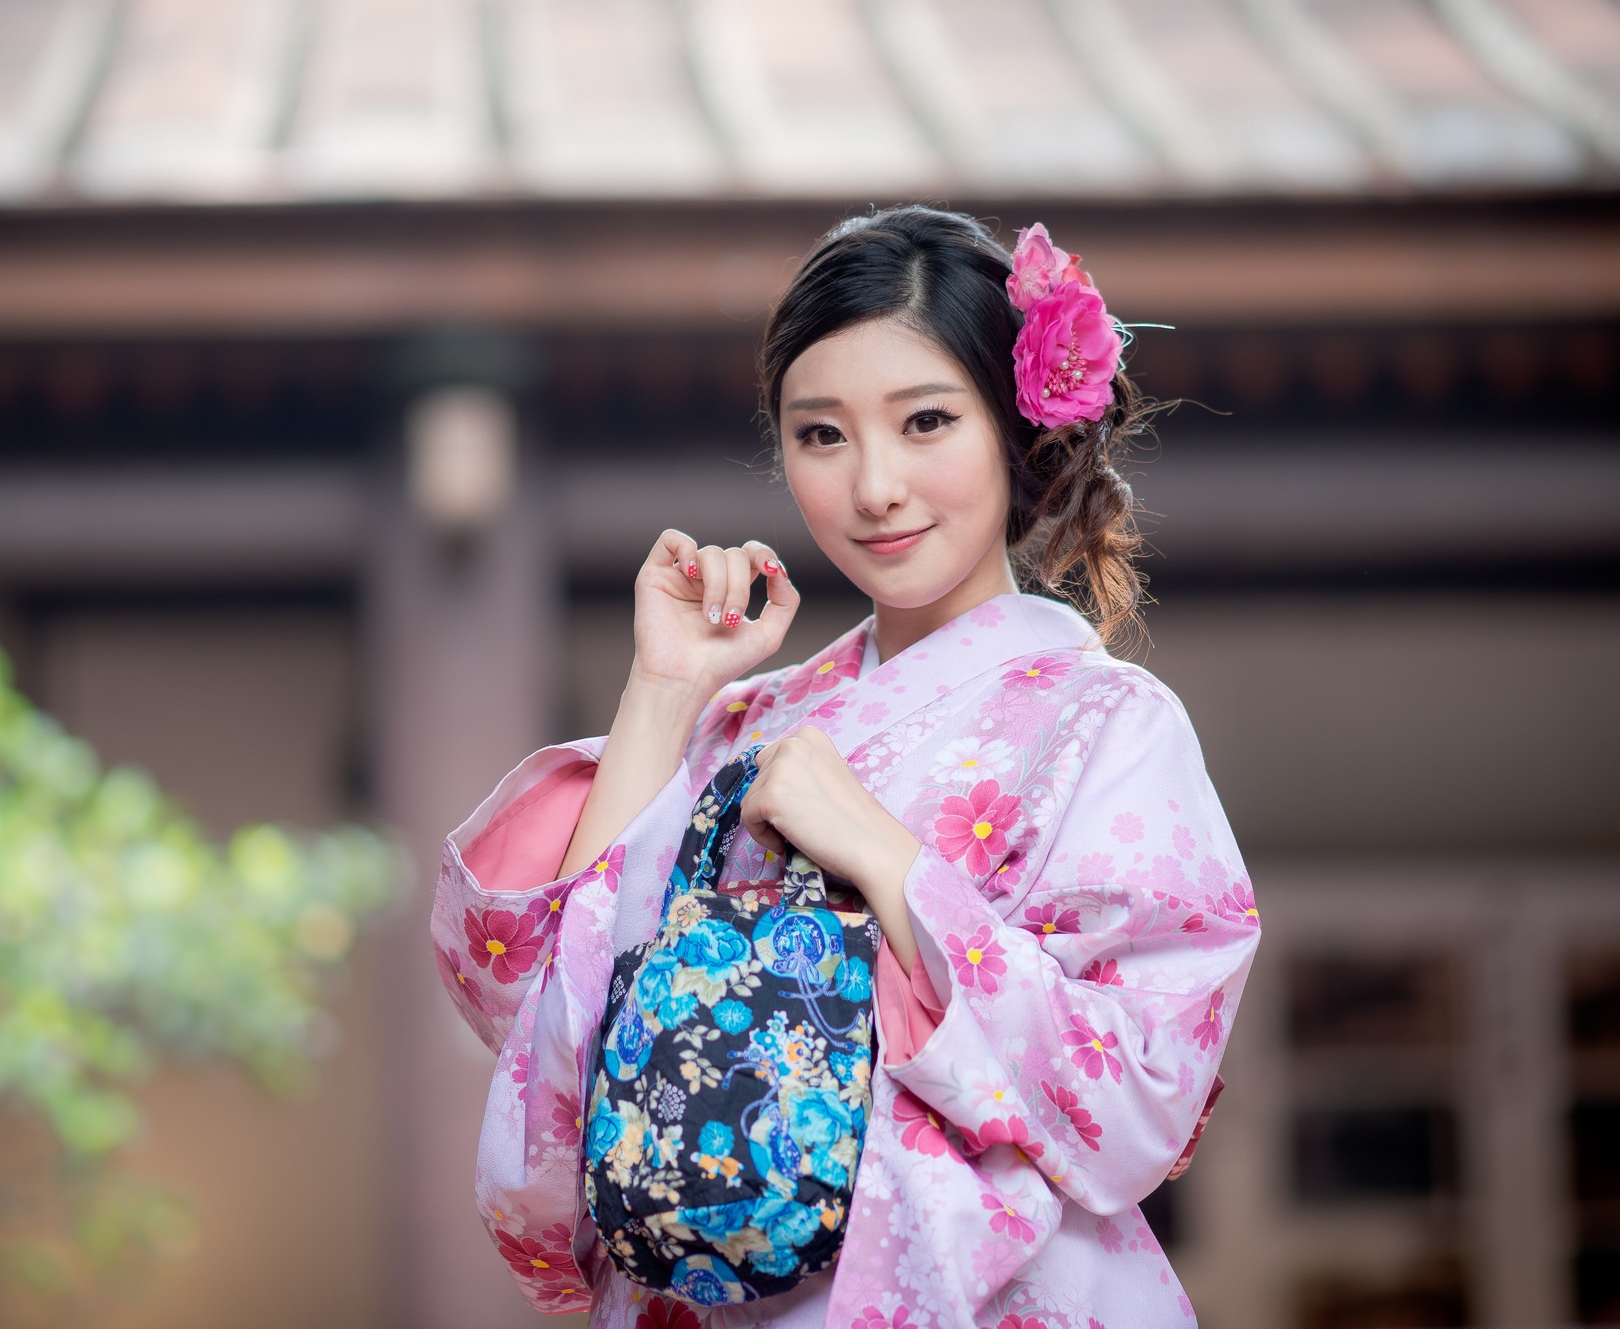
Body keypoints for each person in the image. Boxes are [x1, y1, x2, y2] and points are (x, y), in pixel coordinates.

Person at [431, 206, 1259, 1328]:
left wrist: (887, 859)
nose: (872, 485)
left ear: (1015, 429)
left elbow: (1140, 1092)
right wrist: (666, 691)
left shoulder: (1106, 724)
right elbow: (555, 1016)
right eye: (821, 434)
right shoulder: (748, 726)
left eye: (924, 422)